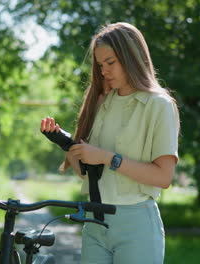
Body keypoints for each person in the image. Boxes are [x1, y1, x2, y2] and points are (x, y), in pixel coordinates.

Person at [40, 22, 180, 264]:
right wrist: (69, 149)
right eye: (100, 64)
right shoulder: (102, 101)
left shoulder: (160, 106)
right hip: (95, 222)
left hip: (136, 226)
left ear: (131, 56)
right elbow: (89, 174)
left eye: (110, 62)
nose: (104, 71)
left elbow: (163, 177)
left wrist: (108, 158)